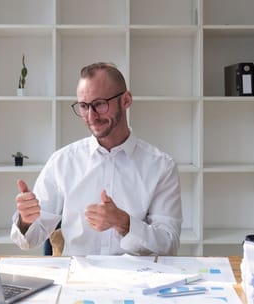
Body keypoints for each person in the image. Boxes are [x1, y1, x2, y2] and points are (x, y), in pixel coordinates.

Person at [11, 62, 182, 256]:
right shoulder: (62, 162)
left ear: (126, 100)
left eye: (100, 104)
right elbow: (29, 240)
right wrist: (26, 220)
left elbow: (169, 244)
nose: (91, 116)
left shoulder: (161, 166)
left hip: (136, 281)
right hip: (76, 280)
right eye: (84, 106)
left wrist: (125, 223)